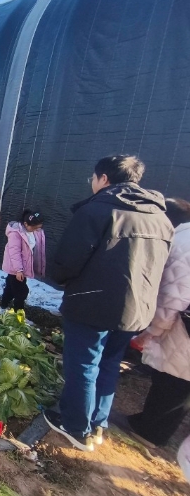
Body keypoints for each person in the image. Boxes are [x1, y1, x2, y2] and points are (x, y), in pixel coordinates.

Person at [44, 155, 173, 452]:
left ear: (103, 178)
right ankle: (97, 423)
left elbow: (67, 260)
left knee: (84, 364)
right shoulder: (161, 218)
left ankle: (76, 427)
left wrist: (62, 277)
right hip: (136, 309)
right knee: (110, 363)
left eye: (93, 177)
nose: (92, 182)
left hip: (92, 305)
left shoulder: (98, 210)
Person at [126, 198, 190, 448]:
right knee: (180, 384)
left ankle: (150, 432)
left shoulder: (183, 243)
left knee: (173, 382)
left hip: (182, 332)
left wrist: (150, 331)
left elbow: (171, 298)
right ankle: (153, 428)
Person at [0, 208, 46, 311]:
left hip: (22, 267)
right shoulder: (16, 233)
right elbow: (14, 252)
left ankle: (3, 307)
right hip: (15, 268)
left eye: (38, 228)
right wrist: (19, 270)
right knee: (21, 292)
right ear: (25, 224)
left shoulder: (34, 231)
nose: (36, 230)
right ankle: (18, 312)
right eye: (34, 227)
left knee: (10, 288)